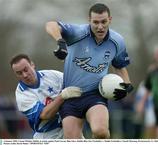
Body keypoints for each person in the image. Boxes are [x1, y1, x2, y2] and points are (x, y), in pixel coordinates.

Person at [45, 3, 133, 139]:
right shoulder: (77, 33)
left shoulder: (117, 41)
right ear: (89, 20)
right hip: (71, 96)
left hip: (95, 95)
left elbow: (119, 65)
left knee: (101, 132)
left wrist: (127, 86)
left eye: (103, 22)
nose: (100, 26)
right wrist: (60, 41)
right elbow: (50, 24)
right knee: (73, 141)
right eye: (95, 22)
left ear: (110, 19)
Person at [10, 54, 82, 139]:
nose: (24, 75)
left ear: (32, 65)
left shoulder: (51, 75)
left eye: (26, 70)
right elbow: (45, 114)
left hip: (69, 126)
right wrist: (62, 96)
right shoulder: (22, 95)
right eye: (19, 73)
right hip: (48, 135)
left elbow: (75, 82)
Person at [137, 48, 158, 139]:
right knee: (157, 129)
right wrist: (142, 103)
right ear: (155, 57)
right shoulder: (152, 72)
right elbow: (148, 89)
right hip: (157, 105)